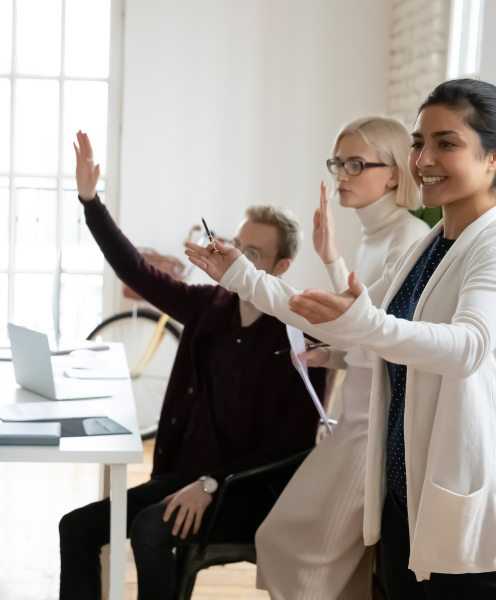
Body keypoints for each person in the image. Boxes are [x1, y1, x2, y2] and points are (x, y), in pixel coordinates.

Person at [186, 79, 496, 600]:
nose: (424, 158)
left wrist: (361, 328)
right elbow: (339, 317)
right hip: (405, 498)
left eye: (447, 143)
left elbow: (466, 348)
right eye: (419, 142)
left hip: (467, 512)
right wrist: (243, 276)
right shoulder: (427, 248)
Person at [58, 131, 326, 600]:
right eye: (237, 244)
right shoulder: (210, 305)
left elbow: (295, 441)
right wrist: (90, 201)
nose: (236, 257)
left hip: (247, 492)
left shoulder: (301, 333)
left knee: (148, 528)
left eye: (254, 253)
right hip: (184, 477)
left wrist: (211, 483)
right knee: (76, 528)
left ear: (282, 268)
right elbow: (137, 273)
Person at [254, 116, 429, 600]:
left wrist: (254, 281)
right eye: (338, 162)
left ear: (394, 173)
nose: (342, 175)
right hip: (349, 420)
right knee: (306, 557)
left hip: (371, 431)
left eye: (356, 164)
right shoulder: (375, 237)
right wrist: (329, 355)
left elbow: (385, 339)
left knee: (301, 558)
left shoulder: (409, 238)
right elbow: (365, 331)